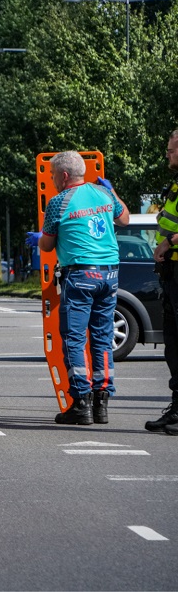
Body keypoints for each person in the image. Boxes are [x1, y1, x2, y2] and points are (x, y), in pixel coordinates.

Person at [36, 151, 129, 425]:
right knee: (102, 338)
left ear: (64, 176)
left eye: (53, 175)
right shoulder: (104, 194)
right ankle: (102, 404)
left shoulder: (58, 201)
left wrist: (39, 239)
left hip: (80, 274)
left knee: (75, 338)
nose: (52, 179)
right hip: (109, 273)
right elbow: (124, 220)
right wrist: (113, 192)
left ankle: (81, 404)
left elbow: (48, 245)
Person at [148, 130, 178, 435]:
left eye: (170, 150)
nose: (167, 155)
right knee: (173, 346)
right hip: (171, 273)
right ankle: (176, 409)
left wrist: (169, 242)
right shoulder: (176, 184)